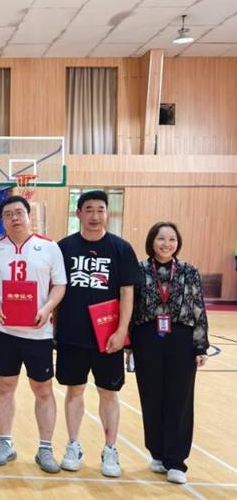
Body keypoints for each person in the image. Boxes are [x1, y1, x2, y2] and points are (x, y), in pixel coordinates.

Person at [0, 195, 66, 473]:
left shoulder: (49, 247)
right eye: (8, 214)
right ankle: (5, 443)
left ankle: (45, 448)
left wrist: (47, 309)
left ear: (29, 216)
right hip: (4, 331)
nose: (14, 218)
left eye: (19, 212)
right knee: (5, 387)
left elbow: (60, 285)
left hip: (38, 333)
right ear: (2, 220)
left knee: (43, 389)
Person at [55, 190, 139, 477]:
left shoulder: (121, 249)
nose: (94, 215)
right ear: (78, 213)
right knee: (74, 390)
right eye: (88, 209)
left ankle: (110, 450)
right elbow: (55, 289)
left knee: (108, 393)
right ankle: (72, 445)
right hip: (72, 334)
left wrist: (122, 330)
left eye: (100, 209)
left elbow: (127, 293)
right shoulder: (64, 247)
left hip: (108, 336)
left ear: (107, 213)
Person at [131, 222, 209, 485]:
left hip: (181, 339)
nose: (166, 244)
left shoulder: (189, 271)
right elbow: (130, 307)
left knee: (180, 399)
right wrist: (129, 344)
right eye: (161, 238)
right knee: (151, 396)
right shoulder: (139, 270)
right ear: (152, 241)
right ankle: (157, 453)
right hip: (146, 337)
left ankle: (176, 461)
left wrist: (200, 345)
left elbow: (198, 307)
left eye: (172, 239)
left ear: (178, 243)